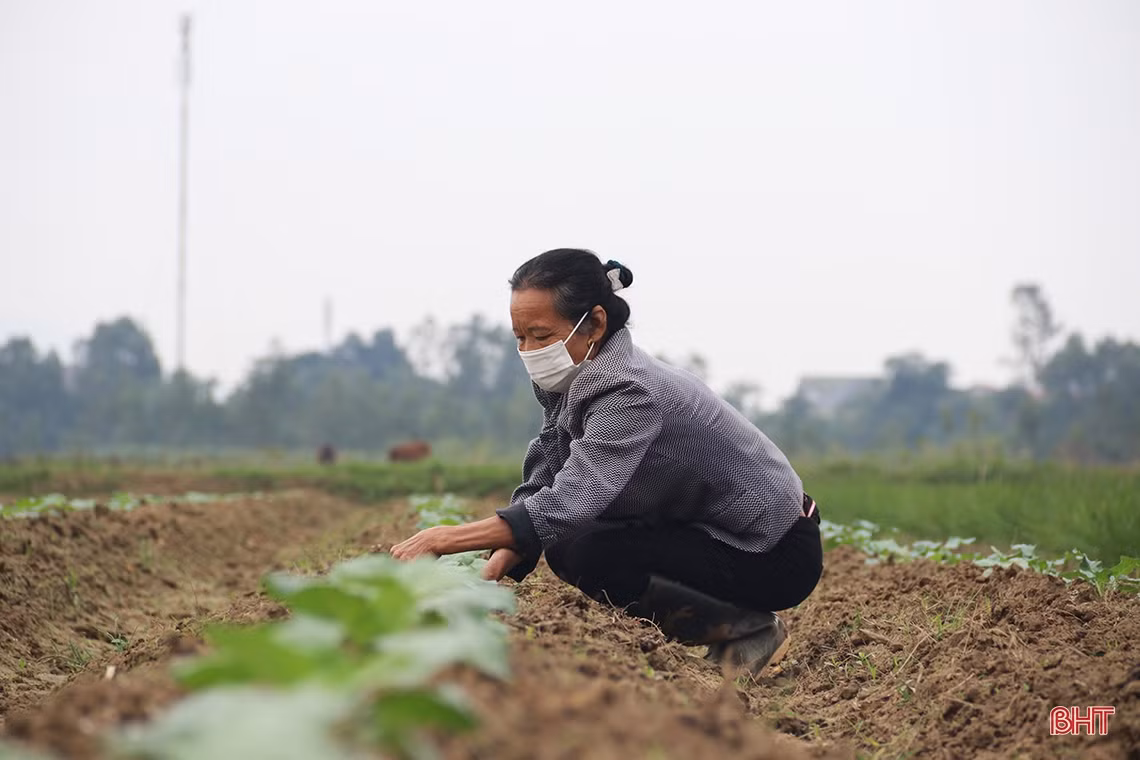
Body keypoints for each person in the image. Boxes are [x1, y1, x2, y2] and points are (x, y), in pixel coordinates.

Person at [390, 248, 824, 675]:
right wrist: (489, 572)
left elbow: (568, 500)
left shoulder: (629, 391)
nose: (529, 350)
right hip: (711, 533)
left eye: (541, 336)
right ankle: (738, 629)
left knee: (592, 553)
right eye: (520, 337)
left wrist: (441, 540)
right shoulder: (578, 379)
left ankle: (749, 633)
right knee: (571, 542)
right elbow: (547, 474)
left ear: (595, 323)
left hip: (772, 550)